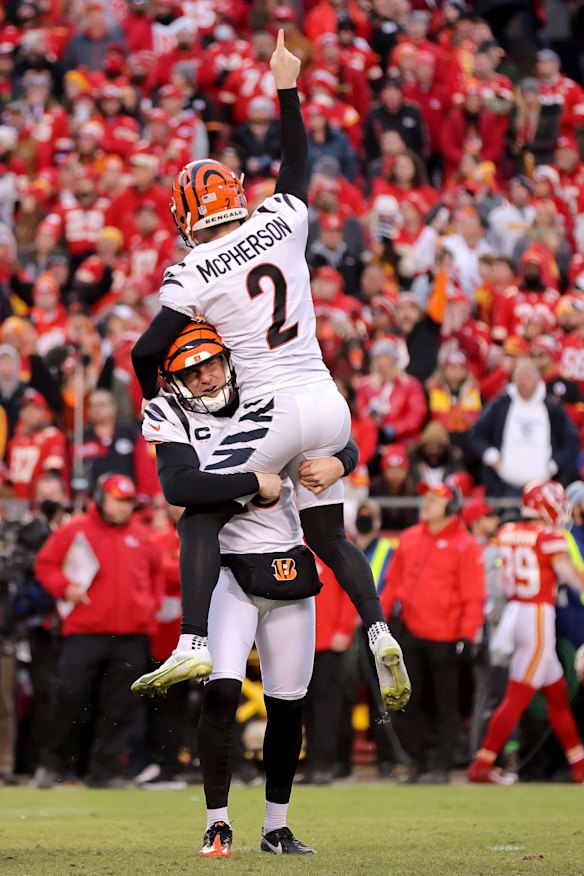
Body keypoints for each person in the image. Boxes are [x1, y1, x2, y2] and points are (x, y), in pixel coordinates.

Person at [130, 31, 410, 711]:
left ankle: (193, 640)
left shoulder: (193, 268)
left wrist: (158, 399)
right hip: (328, 402)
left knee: (198, 507)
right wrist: (287, 86)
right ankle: (378, 629)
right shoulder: (280, 220)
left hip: (273, 408)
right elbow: (296, 164)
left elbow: (144, 351)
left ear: (188, 216)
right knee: (327, 535)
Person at [132, 327, 360, 855]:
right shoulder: (169, 411)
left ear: (228, 359)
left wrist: (344, 461)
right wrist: (252, 481)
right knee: (221, 693)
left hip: (285, 562)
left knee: (288, 705)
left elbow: (330, 432)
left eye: (211, 363)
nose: (205, 376)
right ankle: (217, 823)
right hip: (226, 570)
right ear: (175, 379)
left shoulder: (265, 390)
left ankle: (276, 827)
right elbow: (180, 488)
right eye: (191, 371)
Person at [33, 474, 164, 789]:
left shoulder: (143, 535)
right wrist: (65, 588)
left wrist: (150, 607)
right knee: (70, 697)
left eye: (128, 501)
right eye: (118, 500)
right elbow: (45, 565)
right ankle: (53, 764)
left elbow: (156, 575)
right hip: (84, 631)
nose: (124, 507)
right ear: (101, 499)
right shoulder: (74, 530)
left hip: (131, 634)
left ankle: (104, 772)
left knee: (119, 706)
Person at [468, 481, 584, 785]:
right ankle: (482, 763)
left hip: (517, 612)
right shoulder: (549, 537)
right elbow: (570, 576)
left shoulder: (508, 532)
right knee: (516, 696)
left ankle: (579, 765)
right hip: (537, 616)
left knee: (557, 695)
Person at [384, 482, 486, 783]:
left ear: (451, 506)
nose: (426, 503)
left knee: (445, 703)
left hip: (446, 635)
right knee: (407, 699)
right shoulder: (409, 537)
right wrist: (378, 621)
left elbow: (474, 595)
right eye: (425, 497)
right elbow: (392, 583)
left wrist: (468, 634)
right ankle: (419, 760)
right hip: (410, 630)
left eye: (434, 499)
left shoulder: (466, 545)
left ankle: (442, 765)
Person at [471, 358, 579, 498]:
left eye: (527, 377)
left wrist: (554, 465)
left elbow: (571, 441)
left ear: (537, 379)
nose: (523, 381)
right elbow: (477, 434)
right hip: (502, 486)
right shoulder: (500, 405)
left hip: (543, 487)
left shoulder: (552, 407)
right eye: (519, 377)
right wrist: (492, 457)